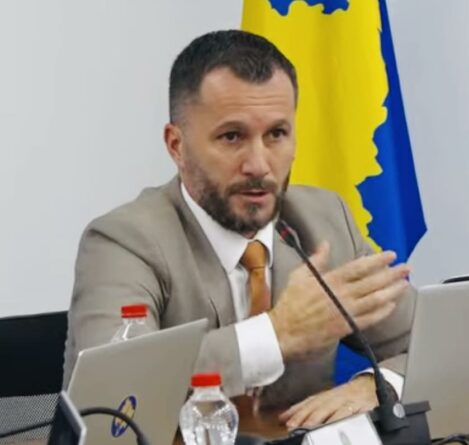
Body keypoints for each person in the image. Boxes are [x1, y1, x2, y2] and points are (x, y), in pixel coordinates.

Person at [63, 30, 414, 428]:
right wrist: (278, 335)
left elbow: (441, 345)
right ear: (177, 145)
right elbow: (117, 393)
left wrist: (378, 386)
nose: (259, 165)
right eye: (232, 137)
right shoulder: (124, 241)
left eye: (276, 134)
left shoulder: (322, 220)